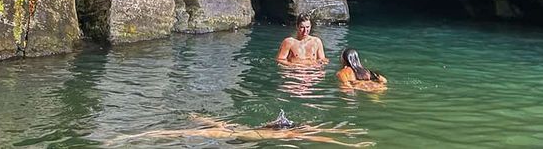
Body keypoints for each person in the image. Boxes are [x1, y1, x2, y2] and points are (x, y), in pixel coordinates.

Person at [107, 113, 373, 147]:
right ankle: (131, 136)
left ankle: (132, 136)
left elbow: (319, 132)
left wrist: (347, 140)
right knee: (176, 133)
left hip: (238, 128)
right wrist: (347, 143)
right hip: (233, 133)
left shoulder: (284, 131)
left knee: (183, 130)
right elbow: (319, 134)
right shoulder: (290, 133)